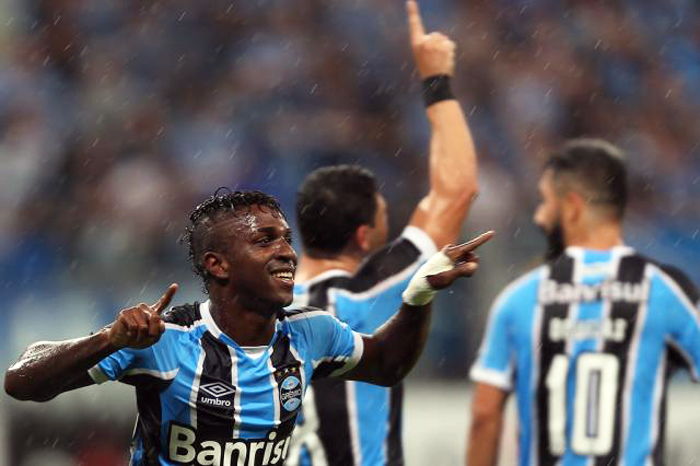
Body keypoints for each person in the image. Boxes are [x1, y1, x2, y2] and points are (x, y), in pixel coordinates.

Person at [4, 189, 493, 466]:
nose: (287, 251)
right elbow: (21, 382)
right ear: (218, 265)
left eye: (285, 238)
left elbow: (388, 364)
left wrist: (420, 292)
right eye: (265, 241)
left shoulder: (311, 333)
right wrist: (108, 340)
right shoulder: (165, 340)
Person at [286, 2, 479, 465]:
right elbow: (457, 190)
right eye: (385, 213)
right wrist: (437, 81)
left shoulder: (260, 309)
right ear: (363, 235)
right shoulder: (373, 292)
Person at [466, 139, 700, 466]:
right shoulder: (662, 292)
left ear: (573, 206)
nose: (539, 217)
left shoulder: (519, 299)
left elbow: (485, 415)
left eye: (545, 202)